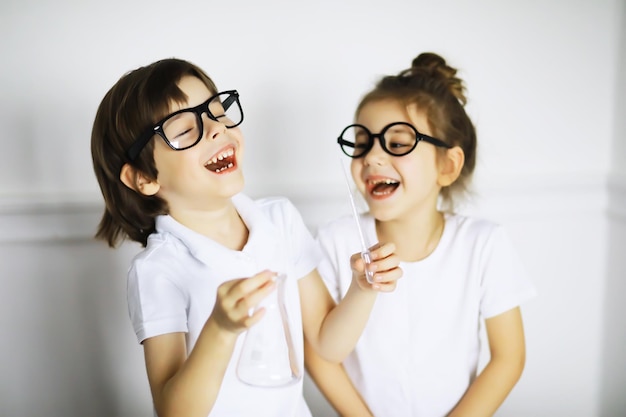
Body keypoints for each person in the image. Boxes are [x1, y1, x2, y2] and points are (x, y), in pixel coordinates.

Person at [90, 58, 401, 417]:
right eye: (183, 129)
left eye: (216, 112)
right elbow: (174, 411)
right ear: (143, 177)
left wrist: (362, 289)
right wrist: (220, 330)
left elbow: (327, 346)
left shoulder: (279, 220)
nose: (216, 129)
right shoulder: (158, 270)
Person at [305, 52, 537, 417]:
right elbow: (319, 354)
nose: (372, 157)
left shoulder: (483, 244)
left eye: (397, 144)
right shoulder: (335, 241)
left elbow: (509, 358)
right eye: (362, 143)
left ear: (447, 166)